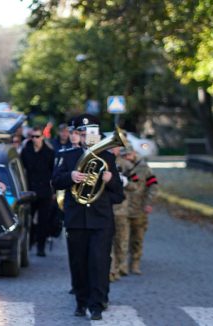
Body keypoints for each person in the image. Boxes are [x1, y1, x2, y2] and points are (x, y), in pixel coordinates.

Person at [51, 114, 124, 321]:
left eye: (91, 133)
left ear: (97, 135)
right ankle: (81, 302)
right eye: (82, 133)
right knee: (78, 262)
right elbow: (55, 182)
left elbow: (119, 196)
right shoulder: (67, 156)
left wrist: (110, 181)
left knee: (99, 262)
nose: (86, 137)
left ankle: (98, 304)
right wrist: (70, 177)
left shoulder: (108, 158)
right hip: (76, 220)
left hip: (101, 220)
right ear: (78, 135)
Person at [121, 147, 158, 275]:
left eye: (128, 155)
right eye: (124, 155)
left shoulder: (144, 168)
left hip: (139, 208)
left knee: (137, 238)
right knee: (122, 239)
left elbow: (153, 186)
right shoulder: (120, 167)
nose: (127, 157)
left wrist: (149, 203)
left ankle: (135, 263)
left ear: (134, 154)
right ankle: (122, 265)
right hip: (123, 209)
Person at [20, 127, 56, 257]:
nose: (35, 139)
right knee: (28, 219)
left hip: (45, 190)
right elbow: (22, 169)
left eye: (37, 136)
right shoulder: (26, 151)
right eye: (33, 136)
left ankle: (41, 246)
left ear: (42, 137)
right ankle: (28, 243)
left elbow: (54, 172)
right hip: (30, 190)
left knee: (43, 221)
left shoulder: (49, 152)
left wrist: (54, 191)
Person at [110, 148, 136, 281]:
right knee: (107, 242)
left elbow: (136, 185)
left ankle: (121, 267)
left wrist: (126, 182)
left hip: (121, 210)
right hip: (107, 209)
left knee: (122, 241)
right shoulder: (103, 162)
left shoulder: (127, 165)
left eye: (115, 147)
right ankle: (111, 271)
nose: (112, 149)